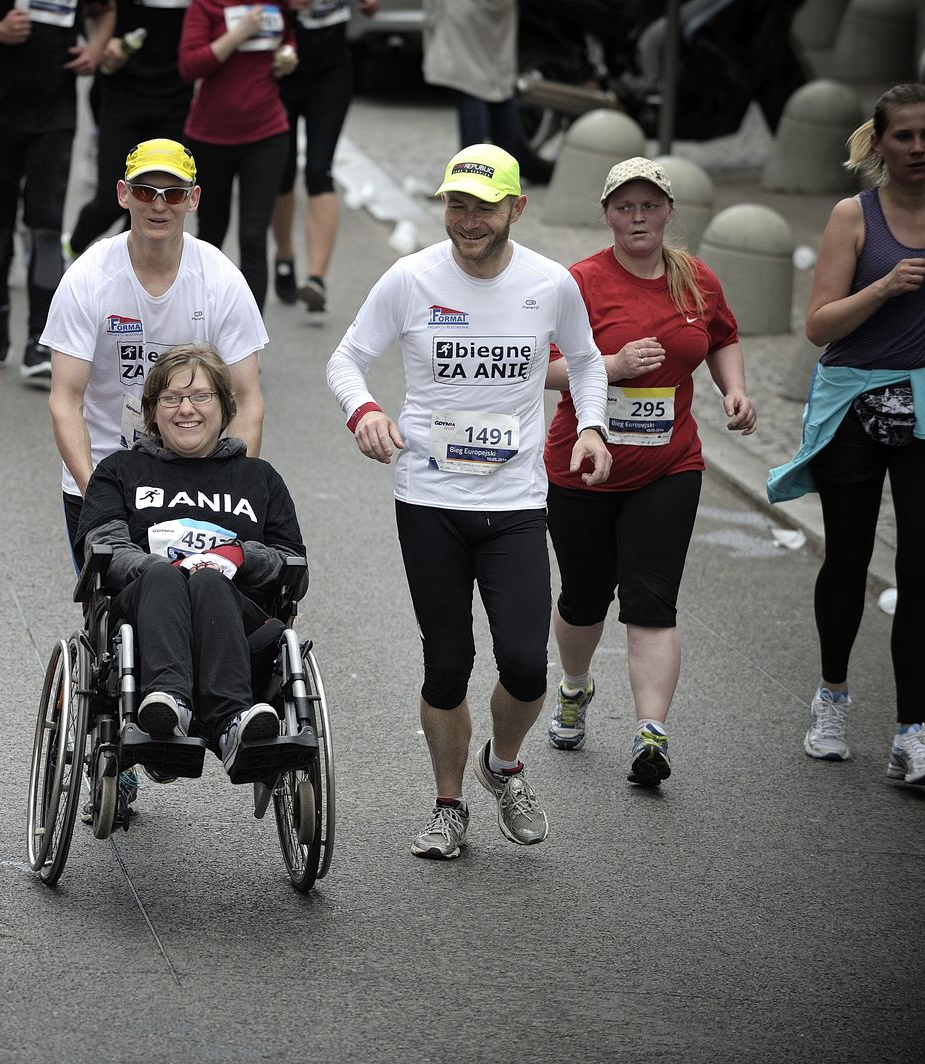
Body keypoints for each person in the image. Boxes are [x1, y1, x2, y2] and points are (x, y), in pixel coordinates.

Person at [325, 144, 611, 860]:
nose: (469, 220)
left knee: (525, 665)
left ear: (516, 208)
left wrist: (593, 427)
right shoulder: (411, 278)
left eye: (484, 207)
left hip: (515, 502)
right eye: (457, 205)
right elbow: (346, 359)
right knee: (447, 663)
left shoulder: (550, 283)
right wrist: (364, 411)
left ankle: (503, 767)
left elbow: (585, 361)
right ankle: (448, 805)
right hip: (428, 499)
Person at [541, 157, 757, 788]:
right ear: (607, 214)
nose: (638, 218)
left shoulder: (697, 279)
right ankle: (575, 687)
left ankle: (650, 734)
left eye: (650, 206)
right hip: (583, 467)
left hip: (670, 465)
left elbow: (723, 337)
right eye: (625, 207)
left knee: (652, 601)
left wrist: (734, 390)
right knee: (584, 596)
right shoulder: (578, 282)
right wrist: (610, 365)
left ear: (668, 212)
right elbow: (541, 366)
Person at [768, 83, 925, 786]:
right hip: (854, 405)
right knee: (850, 557)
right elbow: (818, 324)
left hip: (923, 406)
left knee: (921, 569)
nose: (917, 148)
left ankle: (913, 731)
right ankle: (831, 698)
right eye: (904, 136)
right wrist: (885, 287)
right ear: (881, 142)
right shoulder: (854, 215)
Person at [76, 344, 306, 776]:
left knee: (209, 580)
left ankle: (233, 721)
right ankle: (169, 704)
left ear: (224, 406)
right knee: (167, 577)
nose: (186, 409)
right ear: (152, 410)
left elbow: (292, 564)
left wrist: (238, 556)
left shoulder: (260, 478)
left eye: (201, 396)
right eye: (171, 398)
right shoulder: (120, 471)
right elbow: (104, 546)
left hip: (239, 626)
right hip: (147, 622)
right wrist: (161, 567)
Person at [45, 138, 267, 567]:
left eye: (174, 194)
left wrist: (231, 486)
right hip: (106, 469)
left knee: (198, 597)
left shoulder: (220, 279)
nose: (159, 205)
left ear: (193, 199)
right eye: (146, 192)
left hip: (196, 481)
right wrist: (97, 494)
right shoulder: (87, 277)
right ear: (123, 194)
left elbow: (247, 399)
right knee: (114, 600)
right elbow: (65, 400)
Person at [0, 0, 114, 381]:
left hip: (54, 115)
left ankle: (40, 340)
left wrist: (95, 51)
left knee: (46, 225)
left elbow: (105, 10)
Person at [178, 0, 297, 310]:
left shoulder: (275, 4)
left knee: (254, 237)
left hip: (267, 134)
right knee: (211, 236)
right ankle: (202, 326)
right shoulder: (205, 5)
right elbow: (189, 66)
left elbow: (286, 39)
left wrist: (287, 56)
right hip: (210, 137)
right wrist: (237, 34)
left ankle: (250, 336)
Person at [66, 0, 195, 257]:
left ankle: (130, 271)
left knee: (149, 204)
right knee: (110, 201)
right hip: (122, 95)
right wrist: (101, 43)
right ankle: (71, 250)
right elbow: (90, 11)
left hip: (175, 101)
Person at [271, 0, 373, 313]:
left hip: (332, 66)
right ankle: (284, 255)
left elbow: (370, 9)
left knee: (319, 170)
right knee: (282, 171)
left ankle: (316, 278)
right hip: (283, 64)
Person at [420, 0, 547, 184]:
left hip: (466, 12)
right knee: (499, 90)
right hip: (497, 11)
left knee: (470, 89)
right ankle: (506, 176)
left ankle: (472, 177)